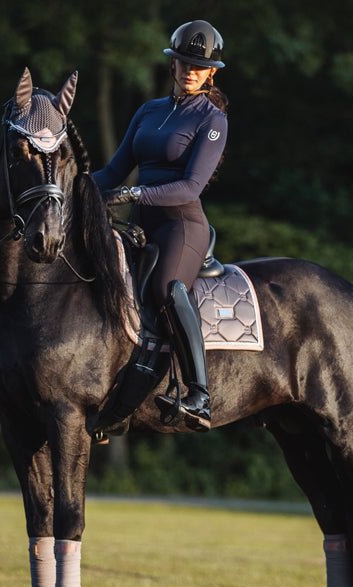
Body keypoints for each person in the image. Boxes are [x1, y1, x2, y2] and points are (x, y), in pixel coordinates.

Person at [93, 19, 228, 433]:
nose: (189, 71)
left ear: (211, 73)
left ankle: (200, 394)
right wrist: (74, 192)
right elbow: (114, 170)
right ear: (172, 64)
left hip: (180, 227)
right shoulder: (148, 111)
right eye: (183, 62)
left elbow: (189, 187)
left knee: (167, 290)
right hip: (140, 225)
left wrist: (135, 196)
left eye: (198, 66)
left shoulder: (212, 120)